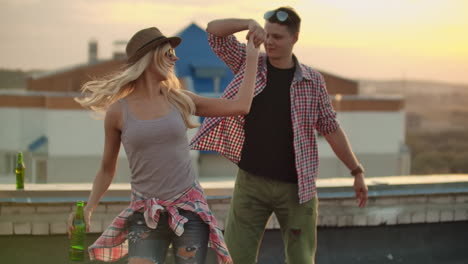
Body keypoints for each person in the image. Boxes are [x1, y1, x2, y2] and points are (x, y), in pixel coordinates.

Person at [190, 6, 368, 264]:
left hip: (297, 188)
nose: (270, 42)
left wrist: (356, 171)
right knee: (235, 258)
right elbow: (214, 33)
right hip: (251, 184)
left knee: (301, 259)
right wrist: (247, 22)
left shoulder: (312, 81)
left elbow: (330, 128)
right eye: (268, 35)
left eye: (278, 37)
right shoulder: (249, 63)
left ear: (295, 38)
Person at [67, 26, 259, 264]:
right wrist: (89, 207)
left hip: (189, 210)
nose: (175, 58)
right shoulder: (119, 111)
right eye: (168, 53)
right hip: (145, 213)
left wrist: (252, 57)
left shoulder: (180, 99)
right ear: (149, 57)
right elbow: (107, 168)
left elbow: (241, 106)